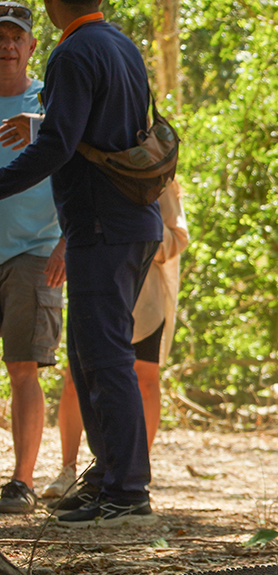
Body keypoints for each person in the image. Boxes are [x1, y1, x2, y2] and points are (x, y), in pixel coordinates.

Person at [0, 0, 162, 528]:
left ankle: (127, 491)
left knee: (105, 356)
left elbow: (60, 146)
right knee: (93, 354)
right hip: (130, 222)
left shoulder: (71, 55)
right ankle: (109, 475)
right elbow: (110, 126)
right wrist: (46, 121)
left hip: (103, 225)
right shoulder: (121, 45)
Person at [44, 180, 189, 499]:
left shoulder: (160, 182)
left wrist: (132, 231)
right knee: (76, 376)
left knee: (145, 380)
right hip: (98, 286)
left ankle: (133, 469)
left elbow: (178, 237)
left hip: (146, 299)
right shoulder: (93, 174)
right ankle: (68, 469)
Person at [0, 1, 62, 514]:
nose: (7, 46)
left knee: (23, 366)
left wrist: (68, 240)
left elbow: (81, 164)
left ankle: (21, 482)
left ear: (31, 46)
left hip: (35, 250)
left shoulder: (52, 102)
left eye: (17, 37)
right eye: (0, 37)